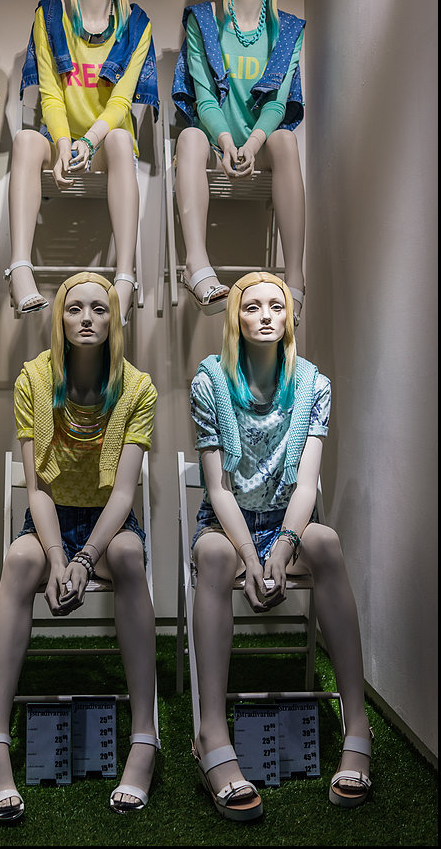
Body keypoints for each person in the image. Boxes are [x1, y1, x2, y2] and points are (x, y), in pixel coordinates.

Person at [0, 272, 159, 822]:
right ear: (59, 317)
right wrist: (58, 557)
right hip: (50, 516)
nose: (86, 318)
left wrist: (84, 558)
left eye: (99, 309)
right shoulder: (34, 378)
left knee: (128, 556)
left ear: (114, 319)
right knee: (19, 560)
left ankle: (145, 735)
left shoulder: (138, 388)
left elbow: (123, 493)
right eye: (74, 307)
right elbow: (36, 488)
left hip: (107, 521)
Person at [188, 271, 372, 821]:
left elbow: (307, 486)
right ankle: (211, 732)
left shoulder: (313, 384)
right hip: (230, 523)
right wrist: (251, 555)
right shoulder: (210, 382)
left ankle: (358, 726)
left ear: (289, 316)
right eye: (252, 306)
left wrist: (284, 546)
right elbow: (219, 488)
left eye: (276, 305)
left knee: (328, 542)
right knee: (213, 555)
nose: (266, 315)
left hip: (289, 517)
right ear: (235, 318)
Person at [8, 0, 159, 323]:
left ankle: (125, 277)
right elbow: (51, 93)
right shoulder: (50, 16)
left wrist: (88, 142)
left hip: (104, 143)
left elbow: (121, 101)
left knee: (121, 139)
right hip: (60, 139)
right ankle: (19, 269)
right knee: (25, 141)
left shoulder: (136, 24)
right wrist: (62, 144)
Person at [172, 0, 306, 323]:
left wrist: (251, 145)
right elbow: (204, 98)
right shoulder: (204, 20)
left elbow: (277, 103)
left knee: (285, 140)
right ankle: (196, 266)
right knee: (190, 136)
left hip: (259, 147)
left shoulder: (287, 29)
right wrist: (229, 144)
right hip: (218, 147)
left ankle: (295, 278)